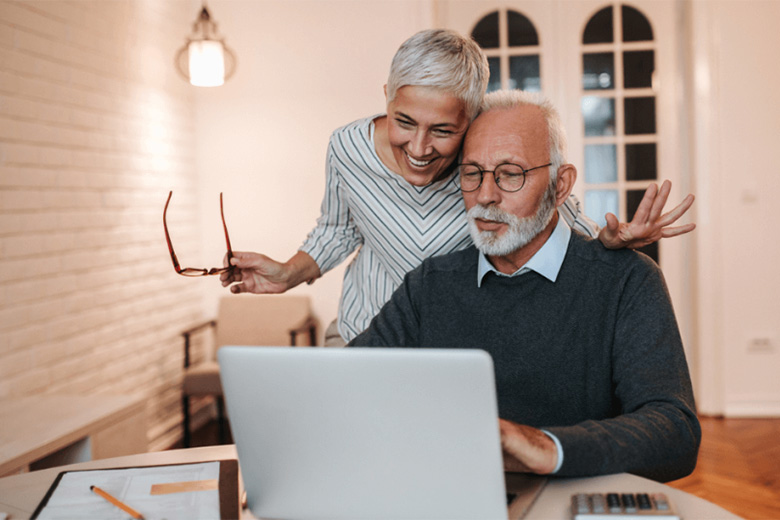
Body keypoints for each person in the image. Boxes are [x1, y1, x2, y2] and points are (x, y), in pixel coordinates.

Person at [221, 29, 695, 347]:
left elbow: (553, 205)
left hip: (456, 342)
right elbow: (337, 229)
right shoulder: (347, 146)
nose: (420, 148)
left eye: (444, 131)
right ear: (387, 94)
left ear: (472, 118)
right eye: (403, 122)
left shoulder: (482, 159)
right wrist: (287, 273)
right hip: (364, 333)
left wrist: (607, 240)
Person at [349, 89, 701, 483]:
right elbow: (344, 385)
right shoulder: (430, 285)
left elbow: (675, 431)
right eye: (472, 173)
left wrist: (547, 447)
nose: (485, 196)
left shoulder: (627, 280)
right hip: (452, 496)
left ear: (560, 184)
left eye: (510, 174)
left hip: (574, 496)